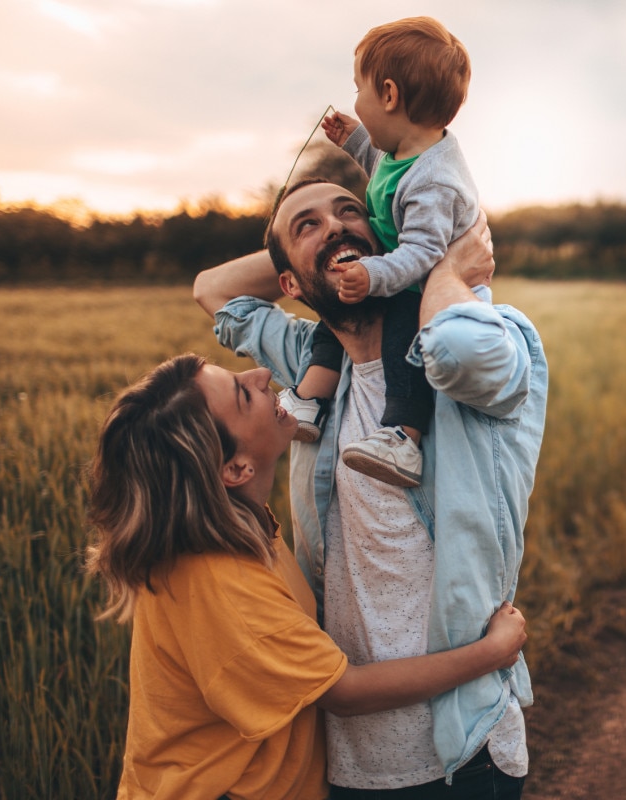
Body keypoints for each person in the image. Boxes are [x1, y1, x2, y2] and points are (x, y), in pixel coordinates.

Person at [192, 178, 548, 797]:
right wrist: (308, 253)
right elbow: (213, 291)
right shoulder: (313, 368)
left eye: (349, 211)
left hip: (461, 752)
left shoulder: (490, 337)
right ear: (290, 288)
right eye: (309, 223)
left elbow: (458, 347)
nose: (333, 225)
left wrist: (430, 256)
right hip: (347, 760)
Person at [84, 353, 528, 799]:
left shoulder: (238, 529)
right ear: (236, 469)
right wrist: (491, 652)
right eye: (243, 394)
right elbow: (345, 691)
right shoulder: (219, 582)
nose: (261, 375)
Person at [284, 16, 480, 493]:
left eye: (359, 89)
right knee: (337, 316)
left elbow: (423, 251)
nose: (355, 99)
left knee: (402, 347)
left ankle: (403, 437)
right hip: (397, 271)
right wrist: (354, 138)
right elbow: (382, 170)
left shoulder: (435, 179)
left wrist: (373, 274)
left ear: (388, 95)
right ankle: (310, 400)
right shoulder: (404, 153)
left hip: (428, 290)